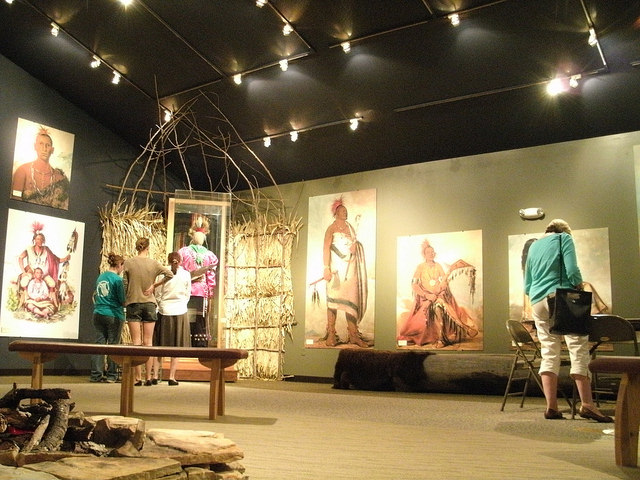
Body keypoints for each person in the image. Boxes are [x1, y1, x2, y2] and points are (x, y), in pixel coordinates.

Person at [524, 218, 612, 422]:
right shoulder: (564, 238)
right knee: (578, 347)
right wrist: (578, 286)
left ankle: (551, 407)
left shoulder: (534, 246)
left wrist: (538, 294)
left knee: (548, 350)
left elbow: (527, 283)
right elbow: (571, 269)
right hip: (560, 297)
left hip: (537, 300)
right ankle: (588, 405)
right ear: (564, 231)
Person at [397, 240, 478, 348]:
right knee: (435, 307)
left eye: (433, 252)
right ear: (424, 255)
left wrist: (440, 291)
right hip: (424, 300)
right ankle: (438, 337)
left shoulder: (438, 266)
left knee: (439, 305)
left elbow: (443, 284)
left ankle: (441, 339)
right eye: (429, 252)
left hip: (438, 297)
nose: (431, 254)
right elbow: (415, 285)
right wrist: (428, 296)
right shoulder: (420, 267)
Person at [123, 237, 174, 386]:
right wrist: (155, 285)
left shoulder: (129, 263)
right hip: (149, 303)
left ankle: (137, 378)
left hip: (133, 302)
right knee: (148, 342)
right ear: (148, 248)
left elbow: (124, 283)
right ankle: (149, 377)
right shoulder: (153, 263)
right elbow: (170, 274)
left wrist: (128, 295)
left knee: (136, 342)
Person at [322, 197, 371, 348]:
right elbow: (326, 248)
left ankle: (353, 335)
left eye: (346, 211)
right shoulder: (331, 228)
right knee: (333, 300)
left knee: (351, 300)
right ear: (336, 212)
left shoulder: (350, 227)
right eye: (343, 211)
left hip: (351, 269)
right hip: (336, 269)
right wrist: (326, 268)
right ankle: (331, 334)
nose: (345, 212)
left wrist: (355, 246)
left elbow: (355, 244)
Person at [151, 252, 192, 386]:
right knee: (176, 346)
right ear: (180, 261)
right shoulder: (186, 274)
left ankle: (155, 376)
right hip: (180, 310)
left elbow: (157, 293)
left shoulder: (162, 273)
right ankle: (172, 377)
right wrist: (181, 303)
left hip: (164, 311)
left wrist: (161, 304)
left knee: (159, 346)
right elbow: (187, 294)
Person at [179, 215, 218, 346]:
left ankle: (186, 343)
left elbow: (180, 271)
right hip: (201, 292)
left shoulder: (183, 252)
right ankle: (199, 346)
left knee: (189, 319)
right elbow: (211, 278)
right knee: (200, 320)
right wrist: (210, 293)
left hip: (188, 291)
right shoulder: (210, 256)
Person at [11, 128, 70, 209]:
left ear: (52, 150)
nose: (44, 148)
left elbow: (64, 207)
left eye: (48, 145)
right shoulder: (22, 171)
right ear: (35, 147)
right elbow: (15, 202)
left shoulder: (59, 178)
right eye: (41, 144)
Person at [16, 222, 70, 310]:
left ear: (43, 240)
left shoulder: (46, 249)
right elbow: (20, 258)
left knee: (52, 283)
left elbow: (56, 259)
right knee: (23, 282)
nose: (39, 241)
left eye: (41, 239)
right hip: (32, 273)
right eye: (37, 239)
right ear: (34, 240)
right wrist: (24, 272)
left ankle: (51, 300)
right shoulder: (29, 249)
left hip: (43, 273)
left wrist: (65, 259)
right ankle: (26, 298)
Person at [90, 253, 125, 383]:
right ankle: (111, 375)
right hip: (113, 314)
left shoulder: (101, 277)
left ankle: (96, 375)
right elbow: (122, 299)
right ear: (119, 265)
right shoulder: (117, 280)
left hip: (98, 313)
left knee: (99, 345)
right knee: (114, 346)